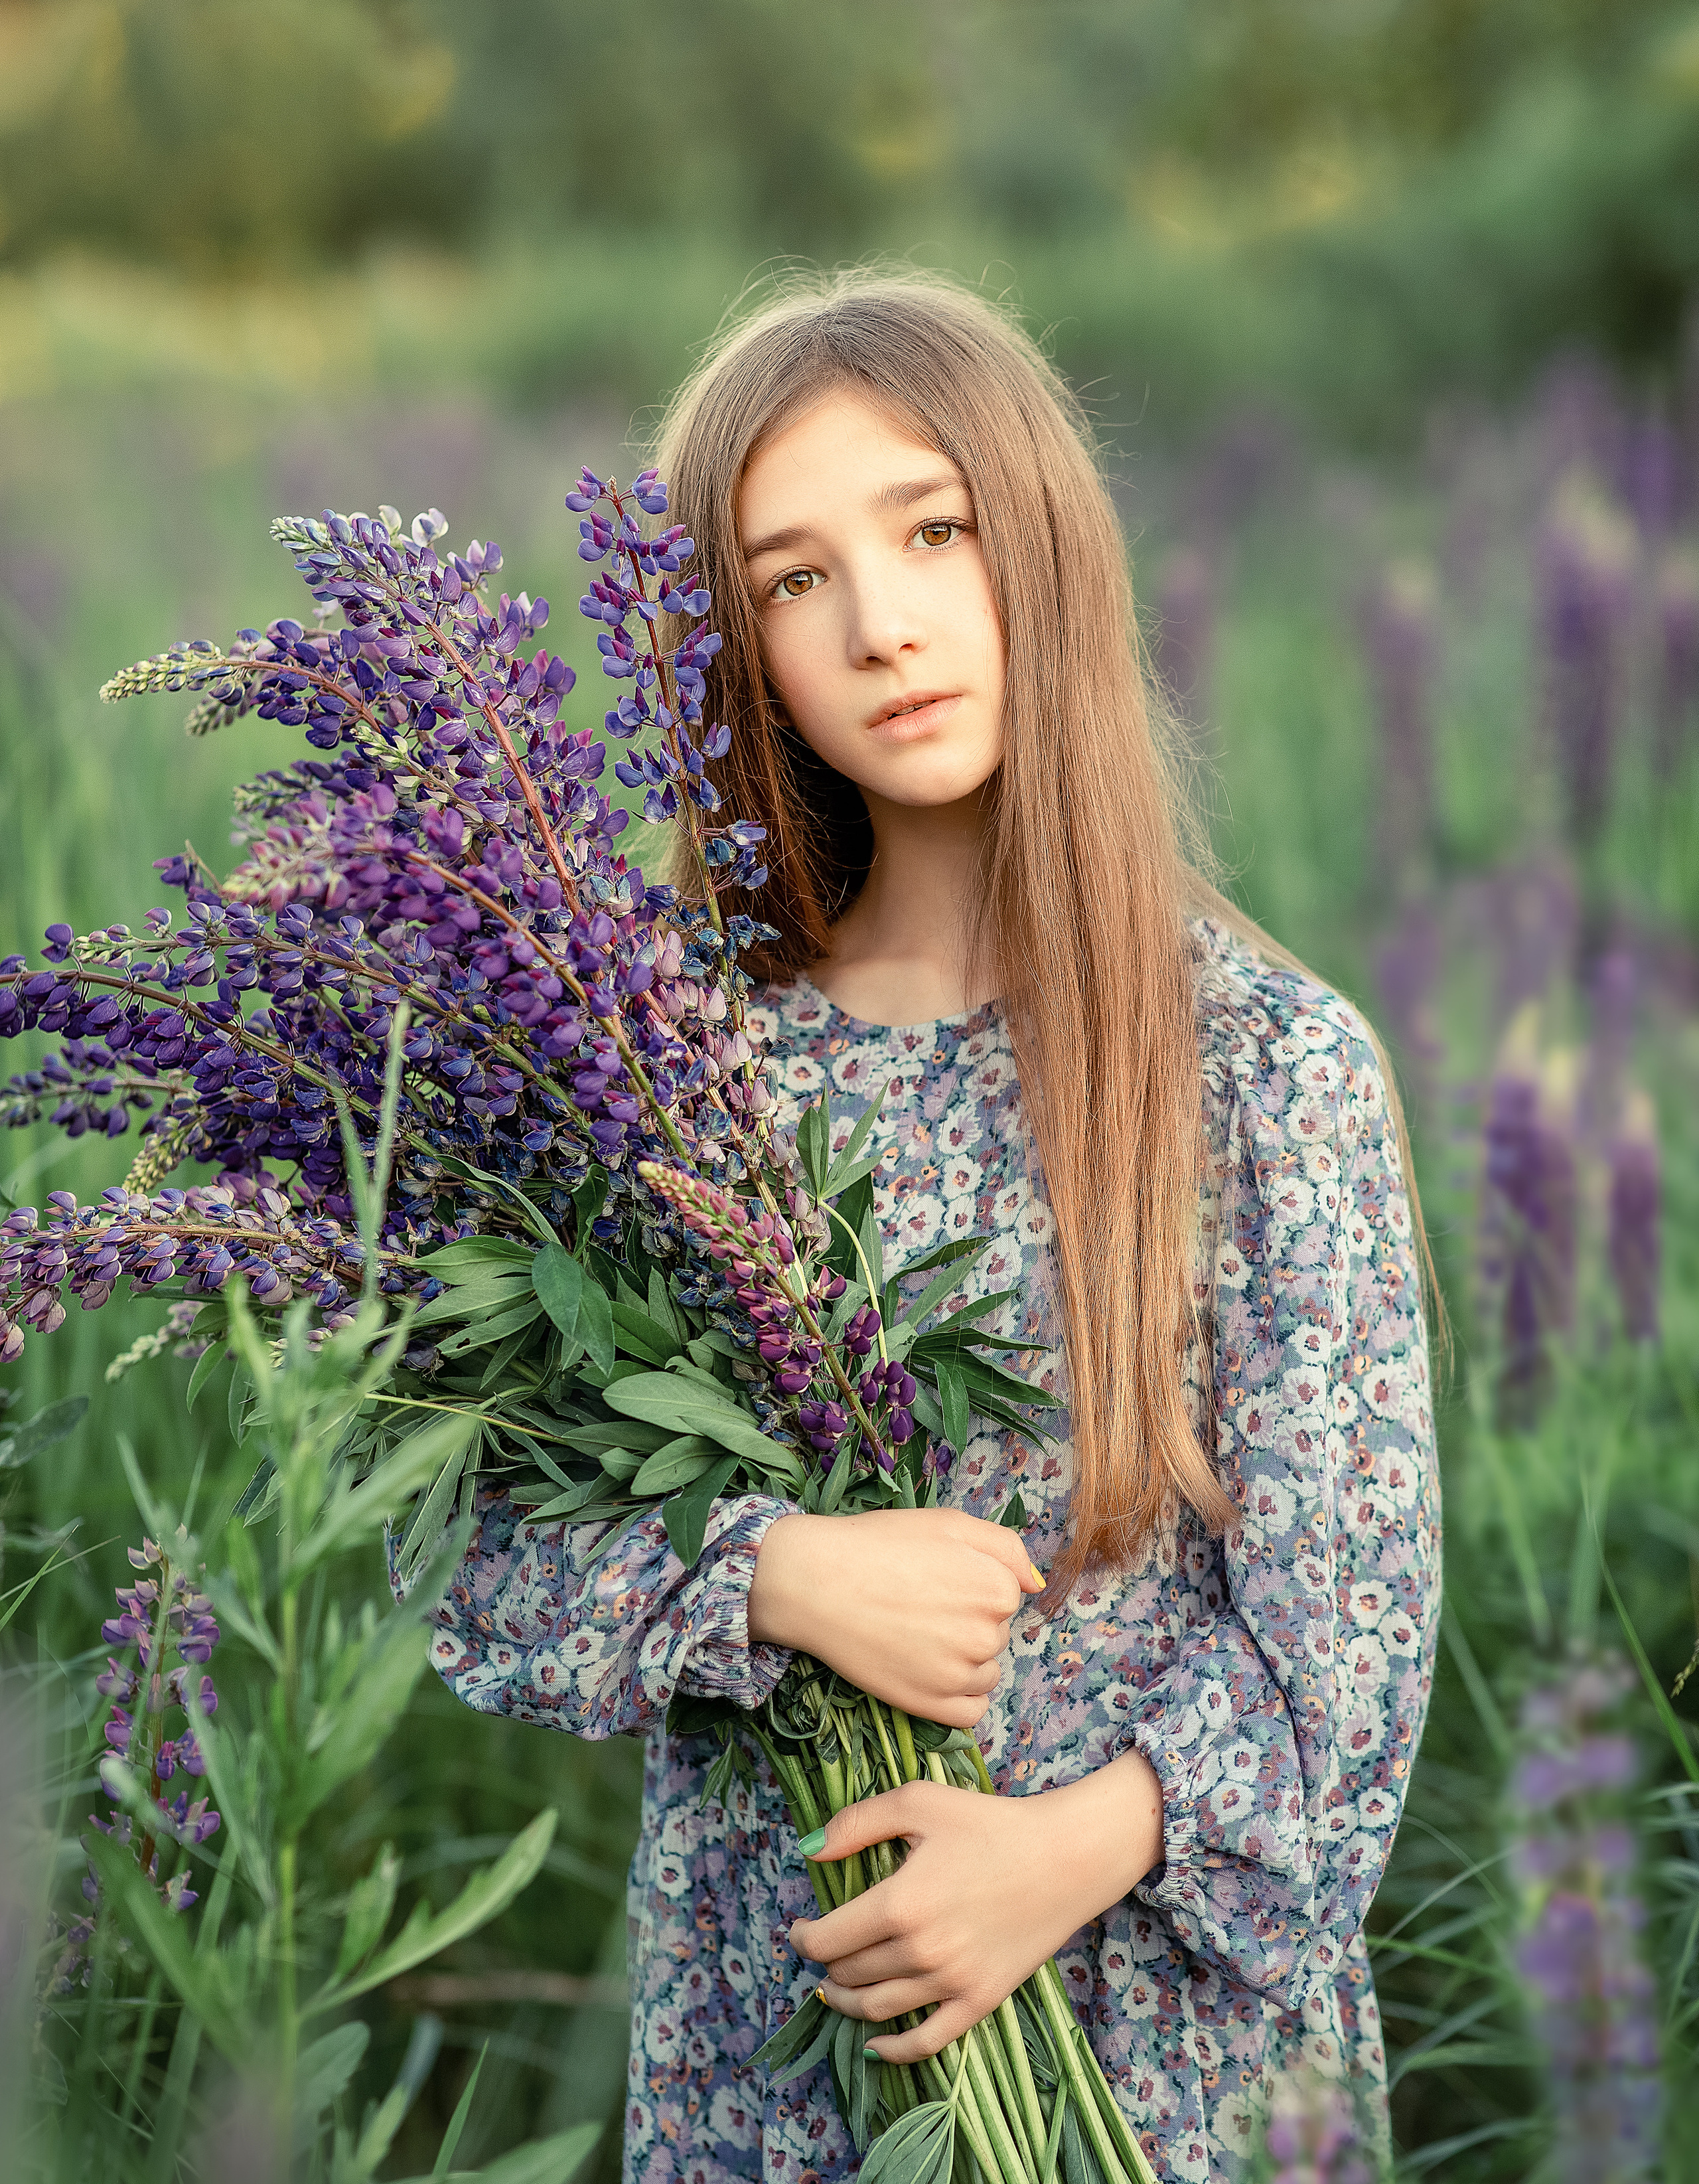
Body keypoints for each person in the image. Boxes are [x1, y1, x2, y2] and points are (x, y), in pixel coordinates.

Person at [412, 270, 1441, 2183]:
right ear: (729, 648)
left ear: (1037, 543)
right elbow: (474, 1557)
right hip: (779, 2047)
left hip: (1168, 2060)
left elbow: (1357, 1641)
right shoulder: (672, 1074)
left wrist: (1070, 1851)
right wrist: (768, 1570)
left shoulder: (1261, 1067)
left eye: (934, 528)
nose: (882, 624)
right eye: (795, 578)